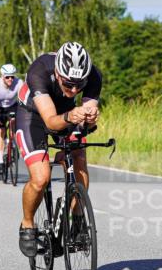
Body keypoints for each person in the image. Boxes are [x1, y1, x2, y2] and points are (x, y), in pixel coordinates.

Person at [15, 42, 102, 257]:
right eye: (68, 84)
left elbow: (87, 119)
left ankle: (78, 219)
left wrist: (89, 120)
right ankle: (27, 225)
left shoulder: (93, 76)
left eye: (79, 85)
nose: (74, 90)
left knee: (79, 157)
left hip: (66, 113)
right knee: (41, 178)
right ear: (57, 72)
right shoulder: (39, 70)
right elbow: (52, 122)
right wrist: (72, 116)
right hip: (33, 115)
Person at [0, 63, 22, 175]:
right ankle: (0, 161)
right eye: (7, 77)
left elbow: (23, 99)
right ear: (2, 76)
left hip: (13, 106)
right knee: (1, 130)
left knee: (15, 126)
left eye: (12, 76)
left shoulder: (19, 82)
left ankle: (12, 143)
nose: (10, 79)